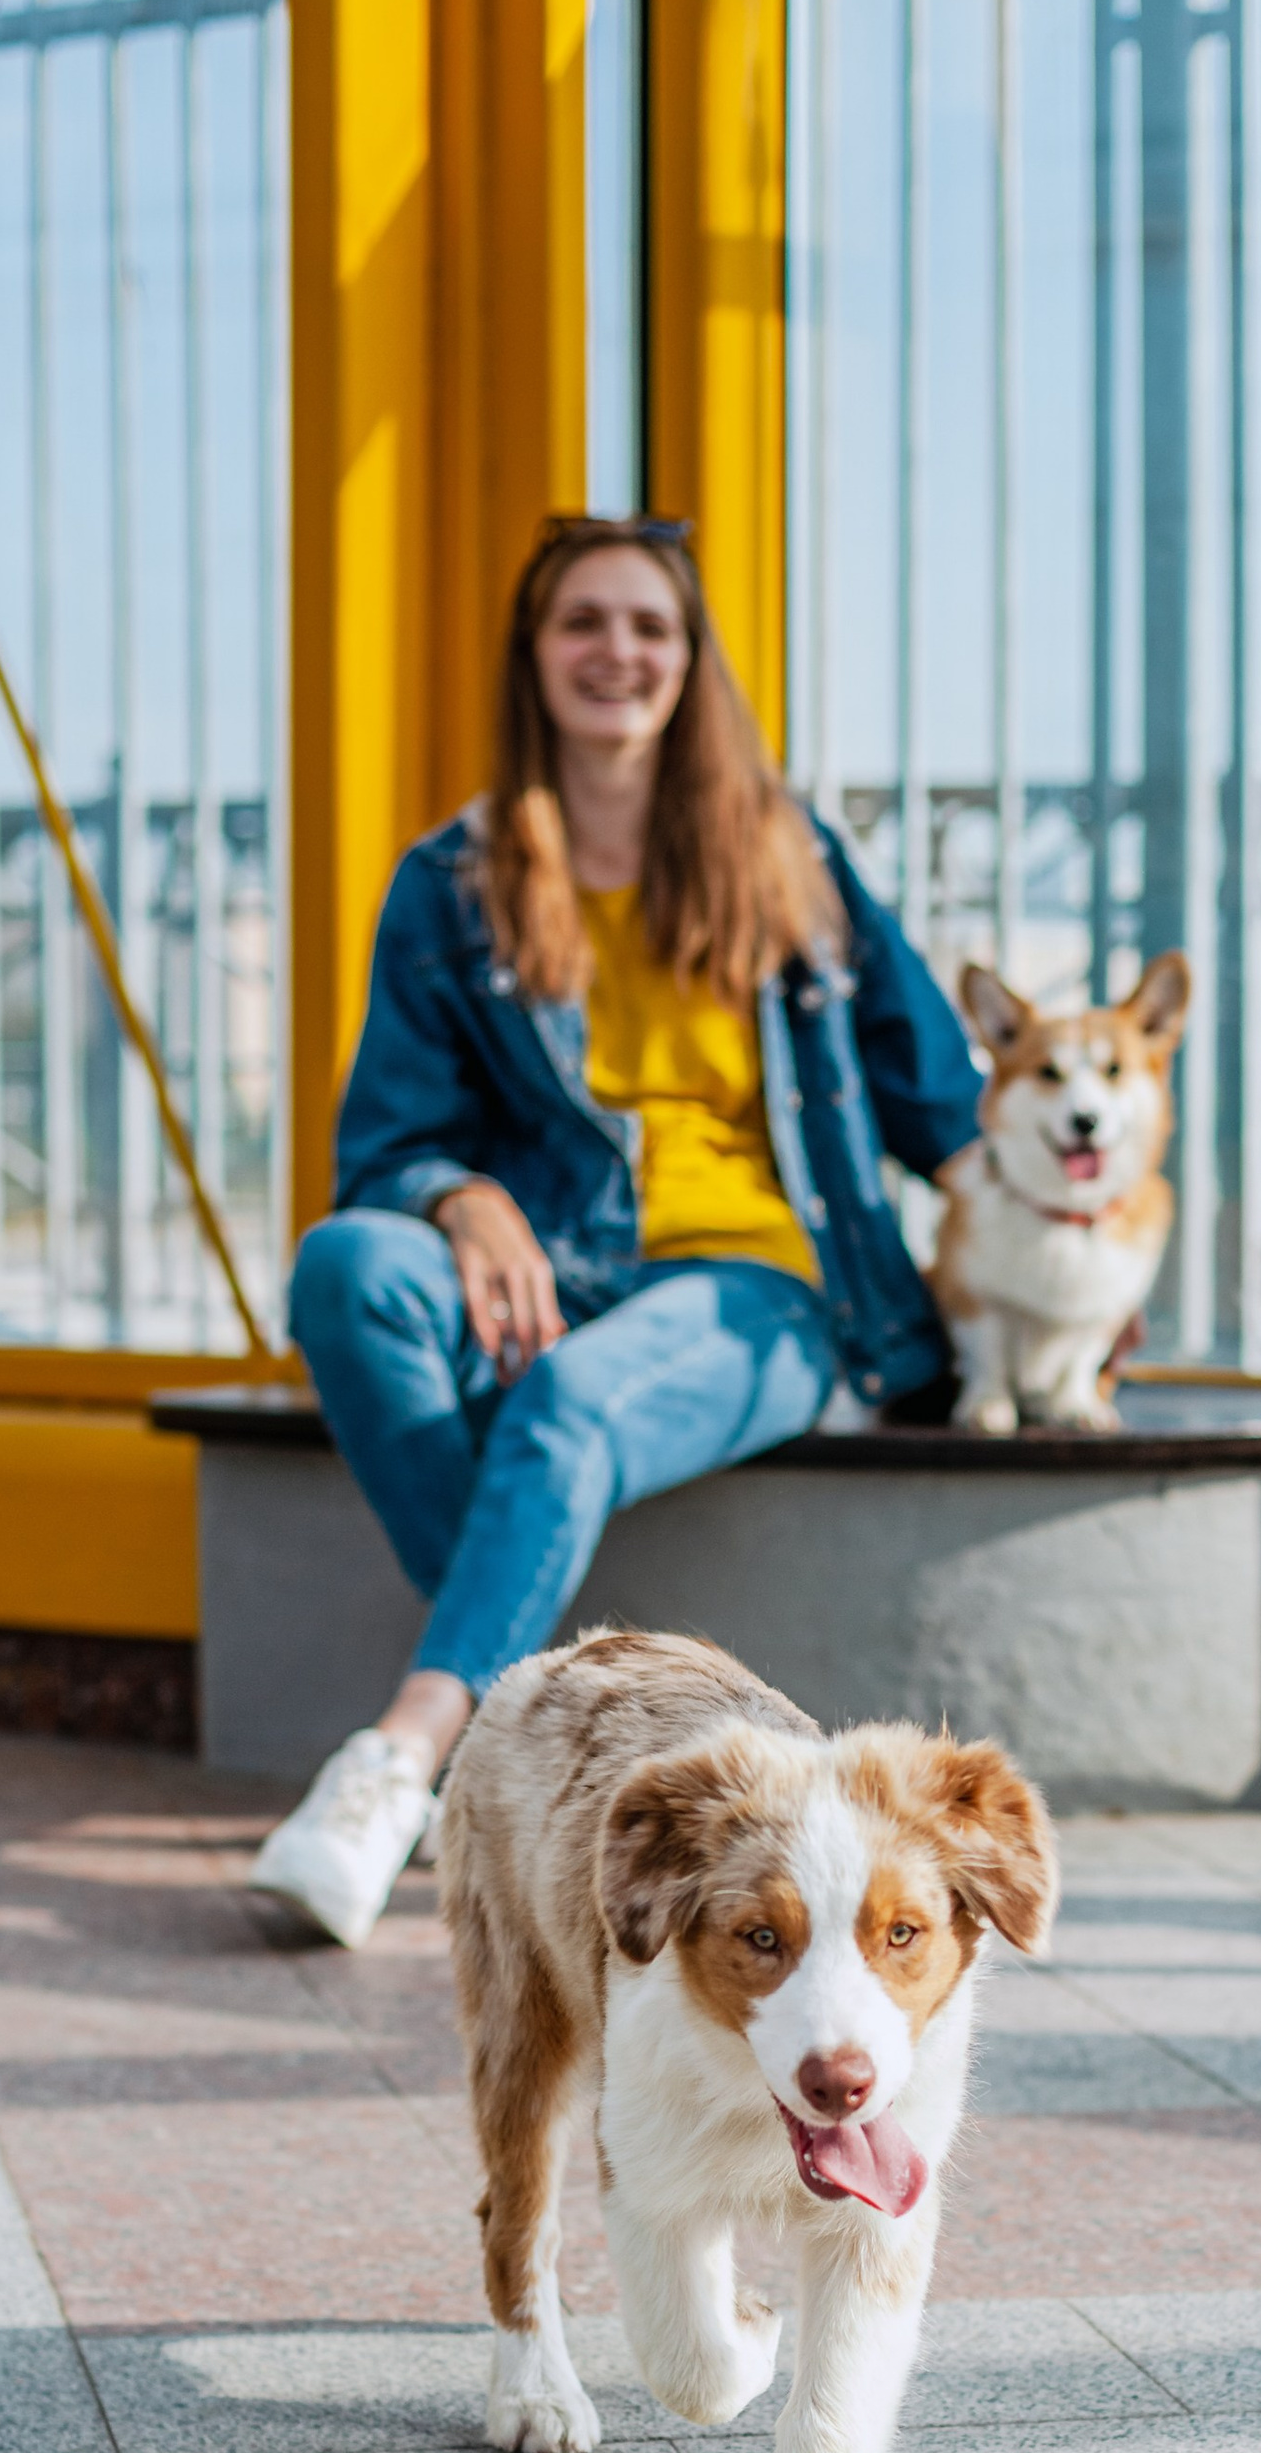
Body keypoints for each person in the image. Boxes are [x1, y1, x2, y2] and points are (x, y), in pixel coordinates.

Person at [249, 511, 984, 1946]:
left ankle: (404, 1756)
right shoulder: (453, 884)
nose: (618, 651)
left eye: (651, 625)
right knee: (348, 1269)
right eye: (584, 620)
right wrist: (461, 1196)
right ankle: (520, 1740)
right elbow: (382, 1147)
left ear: (691, 660)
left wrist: (1071, 1257)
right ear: (536, 655)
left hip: (764, 1288)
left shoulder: (789, 859)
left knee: (568, 1403)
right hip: (560, 1272)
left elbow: (944, 1096)